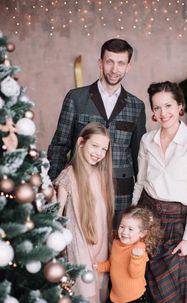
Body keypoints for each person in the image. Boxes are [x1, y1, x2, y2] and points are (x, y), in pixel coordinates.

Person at [132, 81, 187, 303]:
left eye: (168, 105)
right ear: (153, 112)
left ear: (180, 107)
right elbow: (141, 181)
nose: (163, 112)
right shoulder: (147, 140)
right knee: (144, 276)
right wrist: (133, 218)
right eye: (157, 107)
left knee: (175, 283)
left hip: (177, 218)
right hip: (147, 215)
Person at [47, 38, 146, 227]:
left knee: (117, 248)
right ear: (100, 63)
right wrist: (53, 184)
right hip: (80, 186)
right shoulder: (75, 98)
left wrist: (140, 197)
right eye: (109, 62)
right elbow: (60, 145)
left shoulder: (136, 106)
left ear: (128, 67)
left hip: (121, 191)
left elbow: (138, 155)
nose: (114, 69)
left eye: (120, 63)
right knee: (84, 248)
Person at [54, 122, 114, 303]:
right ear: (81, 143)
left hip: (99, 248)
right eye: (94, 146)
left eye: (103, 149)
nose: (98, 153)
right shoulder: (68, 175)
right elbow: (56, 216)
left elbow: (102, 218)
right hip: (78, 247)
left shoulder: (101, 175)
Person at [95, 206, 160, 303]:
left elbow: (134, 274)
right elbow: (114, 265)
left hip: (134, 300)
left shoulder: (139, 250)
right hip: (116, 296)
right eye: (122, 226)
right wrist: (99, 267)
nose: (124, 232)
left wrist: (136, 258)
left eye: (130, 229)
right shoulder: (117, 244)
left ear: (142, 233)